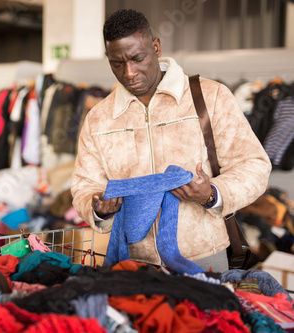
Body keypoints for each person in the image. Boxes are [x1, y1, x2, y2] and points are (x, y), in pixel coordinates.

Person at [70, 9, 272, 273]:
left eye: (137, 58)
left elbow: (254, 166)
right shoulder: (99, 118)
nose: (129, 72)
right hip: (133, 262)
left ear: (156, 47)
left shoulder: (210, 97)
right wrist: (98, 209)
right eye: (117, 63)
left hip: (203, 256)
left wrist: (211, 193)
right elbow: (84, 184)